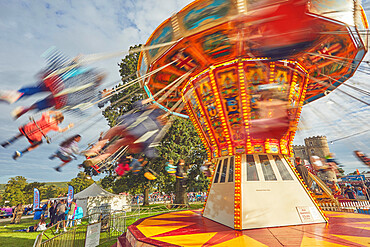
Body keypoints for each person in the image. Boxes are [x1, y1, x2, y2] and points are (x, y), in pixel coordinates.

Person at [1, 110, 73, 160]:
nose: (58, 124)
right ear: (58, 121)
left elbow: (47, 112)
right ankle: (21, 152)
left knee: (22, 132)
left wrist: (56, 112)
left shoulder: (46, 117)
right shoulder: (54, 126)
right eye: (59, 122)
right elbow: (61, 130)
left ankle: (9, 141)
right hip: (35, 137)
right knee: (38, 143)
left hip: (28, 129)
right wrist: (69, 126)